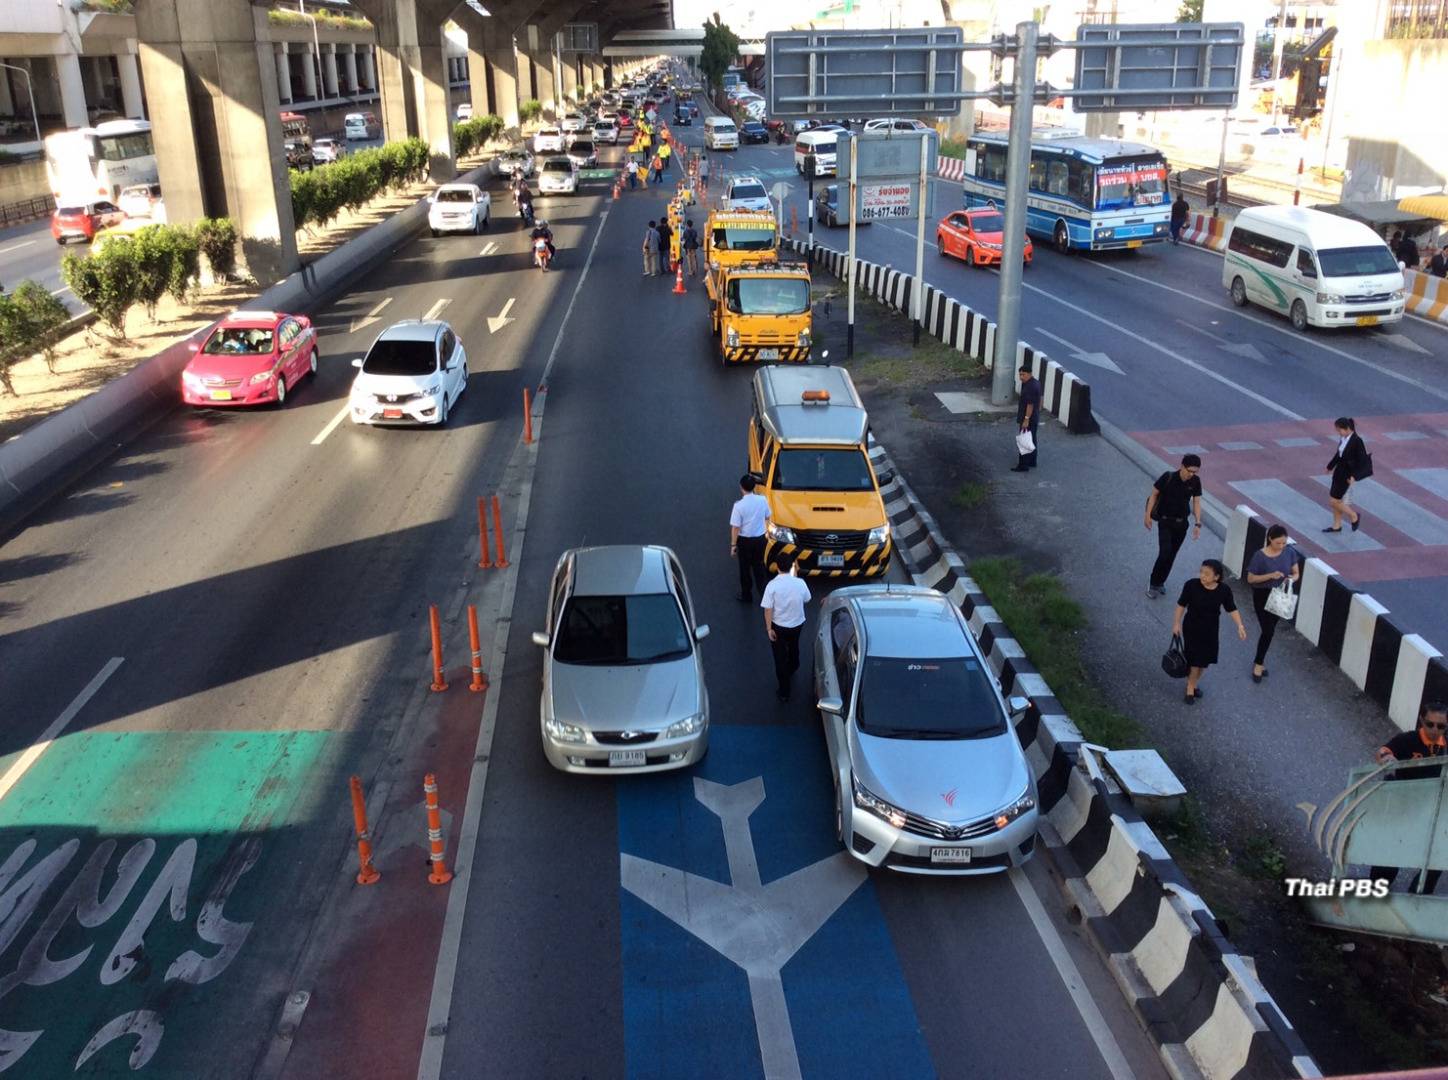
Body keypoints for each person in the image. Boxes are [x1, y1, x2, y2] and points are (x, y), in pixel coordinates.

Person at [1369, 702, 1447, 894]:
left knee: (1438, 853)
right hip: (1403, 805)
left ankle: (1418, 896)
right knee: (1392, 853)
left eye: (1441, 726)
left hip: (1434, 808)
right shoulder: (1407, 740)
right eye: (1430, 724)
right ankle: (1376, 888)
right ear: (1422, 720)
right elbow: (1383, 752)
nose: (1435, 730)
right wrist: (1387, 759)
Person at [1172, 559, 1247, 705]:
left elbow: (1231, 608)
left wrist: (1240, 625)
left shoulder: (1224, 590)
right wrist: (1176, 623)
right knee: (1195, 661)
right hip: (1192, 628)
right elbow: (1181, 605)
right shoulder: (1191, 585)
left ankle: (1192, 683)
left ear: (1216, 577)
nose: (1202, 576)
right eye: (1201, 572)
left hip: (1211, 630)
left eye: (1207, 574)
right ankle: (1190, 688)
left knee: (1205, 661)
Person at [1245, 523, 1300, 682]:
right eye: (1278, 543)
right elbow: (1251, 578)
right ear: (1270, 539)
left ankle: (1259, 662)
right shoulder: (1259, 556)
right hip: (1262, 594)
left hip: (1281, 594)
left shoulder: (1289, 552)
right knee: (1268, 630)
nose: (1281, 546)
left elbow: (1296, 573)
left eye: (1284, 543)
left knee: (1270, 630)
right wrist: (1270, 575)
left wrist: (1291, 578)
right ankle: (1258, 663)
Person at [1144, 454, 1203, 598]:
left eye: (1195, 472)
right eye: (1189, 470)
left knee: (1171, 555)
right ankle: (1153, 583)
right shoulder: (1168, 477)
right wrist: (1147, 515)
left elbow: (1196, 502)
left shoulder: (1195, 481)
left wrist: (1197, 523)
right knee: (1165, 552)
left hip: (1182, 523)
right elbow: (1154, 495)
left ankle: (1161, 582)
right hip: (1165, 521)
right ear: (1182, 466)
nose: (1191, 474)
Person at [761, 552, 811, 702]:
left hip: (779, 627)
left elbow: (768, 609)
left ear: (777, 566)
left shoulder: (772, 586)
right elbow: (807, 599)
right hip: (797, 624)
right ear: (792, 566)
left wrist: (769, 629)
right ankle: (794, 664)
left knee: (780, 658)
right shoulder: (800, 583)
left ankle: (784, 692)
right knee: (794, 646)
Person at [730, 473, 771, 602]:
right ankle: (765, 596)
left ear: (741, 487)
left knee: (745, 568)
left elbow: (736, 527)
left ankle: (746, 595)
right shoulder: (762, 500)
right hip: (760, 540)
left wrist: (733, 545)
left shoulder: (739, 506)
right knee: (759, 567)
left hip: (745, 541)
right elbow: (767, 516)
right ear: (754, 487)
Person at [1324, 416, 1368, 533]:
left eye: (1339, 430)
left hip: (1347, 474)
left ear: (1347, 428)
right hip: (1339, 472)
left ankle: (1354, 515)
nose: (1338, 432)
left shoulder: (1357, 441)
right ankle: (1337, 526)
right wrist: (1330, 466)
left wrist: (1354, 476)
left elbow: (1362, 461)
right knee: (1337, 501)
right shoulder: (1344, 438)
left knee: (1333, 501)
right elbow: (1339, 454)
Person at [1011, 365, 1040, 472]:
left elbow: (1030, 404)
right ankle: (1032, 461)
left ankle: (1023, 465)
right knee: (1032, 439)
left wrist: (1026, 419)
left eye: (1023, 374)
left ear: (1029, 374)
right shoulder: (1035, 383)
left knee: (1024, 441)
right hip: (1035, 417)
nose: (1021, 377)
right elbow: (1040, 399)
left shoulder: (1029, 387)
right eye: (1020, 374)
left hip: (1028, 418)